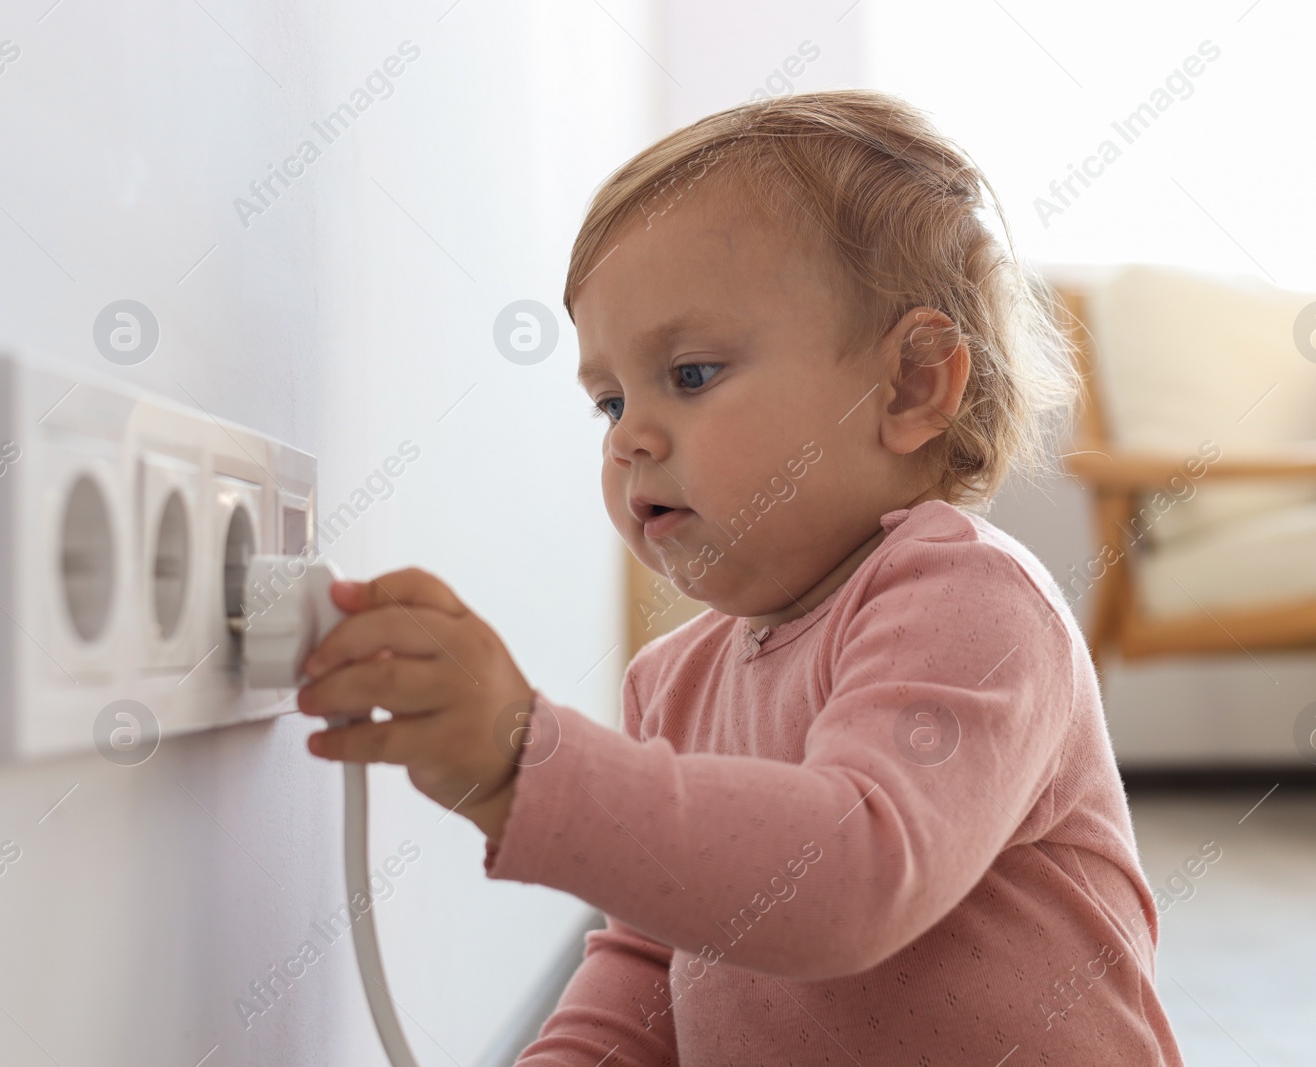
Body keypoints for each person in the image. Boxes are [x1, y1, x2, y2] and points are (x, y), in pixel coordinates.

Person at [299, 88, 1183, 1065]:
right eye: (607, 400)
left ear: (911, 384)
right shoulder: (669, 681)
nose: (631, 434)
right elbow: (648, 960)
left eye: (689, 373)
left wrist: (529, 768)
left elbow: (852, 874)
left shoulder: (974, 605)